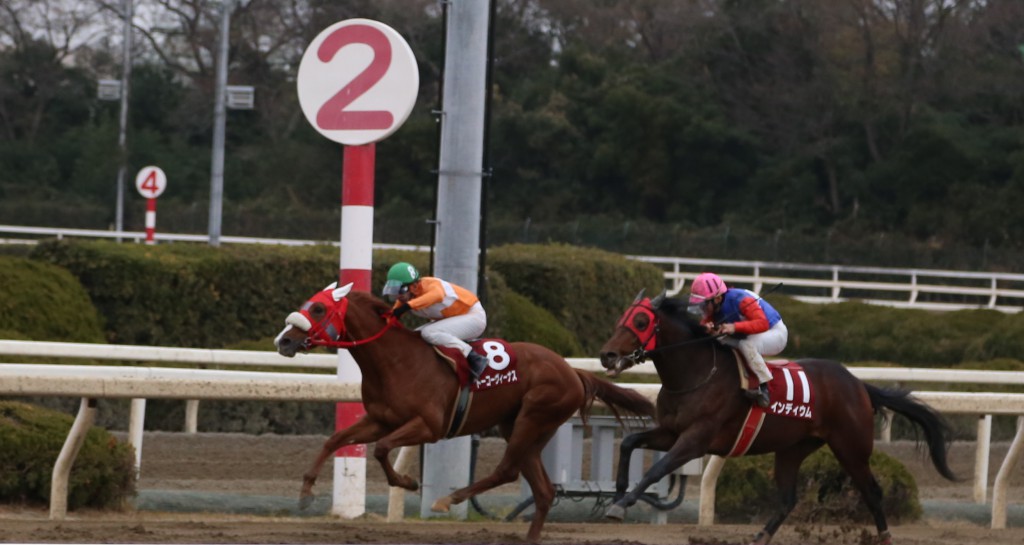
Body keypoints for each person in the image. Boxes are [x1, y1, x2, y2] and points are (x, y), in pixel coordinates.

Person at [688, 272, 788, 408]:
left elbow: (762, 323)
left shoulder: (741, 300)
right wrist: (708, 329)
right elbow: (706, 325)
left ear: (717, 299)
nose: (702, 309)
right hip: (750, 336)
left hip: (775, 333)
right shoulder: (716, 306)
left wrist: (734, 327)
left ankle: (765, 387)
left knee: (746, 344)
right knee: (719, 341)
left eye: (703, 305)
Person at [381, 262, 490, 380]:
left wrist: (407, 306)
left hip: (474, 317)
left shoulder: (430, 284)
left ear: (413, 286)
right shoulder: (405, 300)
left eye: (400, 291)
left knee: (428, 333)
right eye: (395, 291)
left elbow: (437, 295)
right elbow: (390, 319)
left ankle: (475, 358)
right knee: (415, 336)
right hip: (455, 319)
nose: (398, 296)